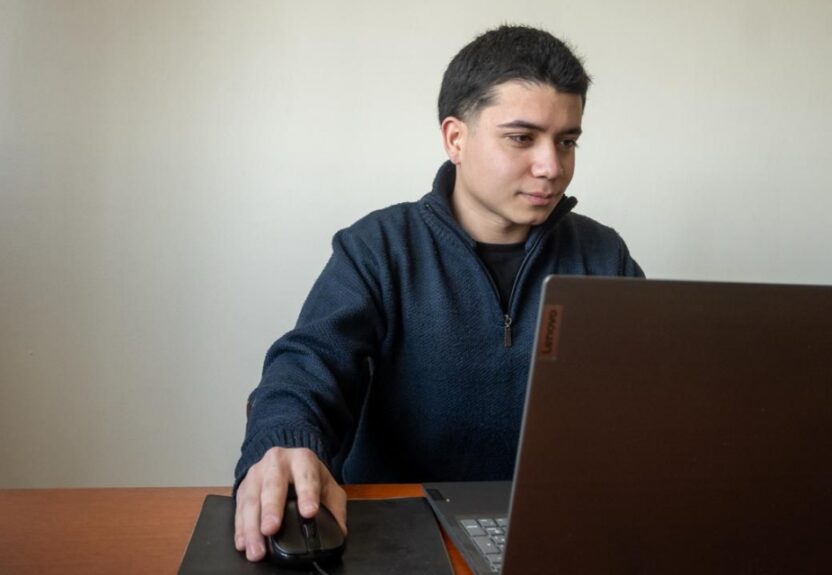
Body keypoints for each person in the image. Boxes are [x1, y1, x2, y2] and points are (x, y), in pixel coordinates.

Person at [232, 24, 644, 562]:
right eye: (522, 138)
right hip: (399, 536)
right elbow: (308, 366)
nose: (552, 166)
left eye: (567, 141)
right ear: (455, 138)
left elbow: (654, 397)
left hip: (553, 534)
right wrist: (284, 441)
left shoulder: (603, 255)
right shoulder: (378, 248)